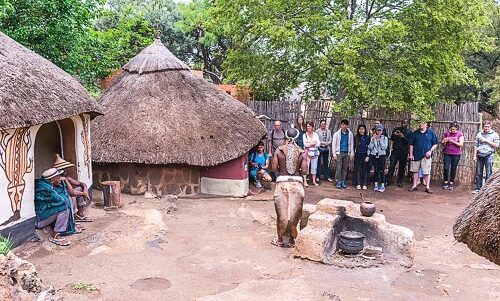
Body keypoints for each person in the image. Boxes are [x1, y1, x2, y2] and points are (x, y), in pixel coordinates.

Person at [270, 128, 308, 248]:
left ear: (286, 138)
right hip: (297, 184)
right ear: (297, 138)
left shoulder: (278, 150)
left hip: (282, 183)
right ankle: (292, 240)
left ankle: (280, 240)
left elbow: (274, 168)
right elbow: (305, 171)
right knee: (295, 213)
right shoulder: (302, 152)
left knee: (281, 213)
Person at [34, 168, 78, 246]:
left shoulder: (47, 184)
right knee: (64, 207)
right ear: (52, 178)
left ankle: (64, 227)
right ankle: (55, 235)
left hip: (43, 215)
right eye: (58, 176)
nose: (60, 178)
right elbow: (61, 200)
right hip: (39, 220)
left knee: (66, 201)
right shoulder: (46, 188)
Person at [53, 155, 92, 222]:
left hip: (68, 194)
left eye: (66, 169)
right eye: (64, 170)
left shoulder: (67, 178)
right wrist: (83, 193)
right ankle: (73, 217)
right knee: (72, 197)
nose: (66, 171)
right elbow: (71, 193)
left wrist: (85, 189)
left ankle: (80, 214)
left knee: (80, 188)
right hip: (61, 197)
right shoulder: (57, 180)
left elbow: (82, 184)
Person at [408, 122, 439, 194]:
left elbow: (435, 144)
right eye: (419, 124)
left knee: (427, 172)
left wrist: (430, 151)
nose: (420, 125)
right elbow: (411, 145)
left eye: (422, 124)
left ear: (426, 125)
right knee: (415, 171)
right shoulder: (414, 133)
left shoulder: (431, 133)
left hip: (426, 156)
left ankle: (427, 187)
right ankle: (414, 185)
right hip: (416, 155)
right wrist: (411, 154)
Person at [473, 120, 499, 193]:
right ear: (483, 126)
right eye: (485, 126)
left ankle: (487, 190)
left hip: (489, 155)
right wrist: (474, 156)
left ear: (490, 127)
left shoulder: (495, 135)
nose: (486, 128)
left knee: (489, 173)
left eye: (488, 126)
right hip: (480, 155)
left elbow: (496, 145)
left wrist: (486, 140)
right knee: (478, 173)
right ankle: (478, 188)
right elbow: (476, 145)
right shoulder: (479, 134)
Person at [385, 119, 412, 187]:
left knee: (402, 167)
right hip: (395, 151)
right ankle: (387, 180)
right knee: (392, 166)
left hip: (404, 152)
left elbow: (409, 142)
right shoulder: (396, 129)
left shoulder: (409, 132)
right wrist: (395, 135)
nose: (403, 125)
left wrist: (402, 136)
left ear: (407, 124)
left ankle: (400, 181)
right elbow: (392, 139)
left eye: (405, 123)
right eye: (402, 123)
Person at [332, 119, 354, 189]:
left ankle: (342, 181)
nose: (344, 126)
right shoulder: (337, 134)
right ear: (340, 125)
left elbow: (351, 144)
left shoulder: (350, 134)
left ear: (347, 126)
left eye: (345, 125)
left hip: (347, 153)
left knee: (345, 168)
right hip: (339, 153)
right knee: (339, 168)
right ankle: (337, 181)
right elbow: (334, 144)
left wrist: (351, 154)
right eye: (342, 125)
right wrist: (334, 154)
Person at [441, 122, 464, 191]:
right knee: (446, 168)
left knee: (453, 168)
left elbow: (461, 144)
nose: (452, 131)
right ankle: (445, 182)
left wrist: (453, 141)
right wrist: (444, 141)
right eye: (451, 129)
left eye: (453, 129)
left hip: (456, 154)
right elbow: (443, 143)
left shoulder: (460, 134)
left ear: (456, 128)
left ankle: (451, 183)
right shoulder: (447, 133)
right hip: (447, 153)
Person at [368, 126, 389, 192]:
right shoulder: (373, 137)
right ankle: (376, 184)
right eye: (378, 130)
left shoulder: (385, 138)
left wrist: (379, 140)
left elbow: (384, 147)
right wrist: (372, 141)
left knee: (382, 170)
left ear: (382, 131)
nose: (379, 132)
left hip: (382, 155)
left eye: (380, 130)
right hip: (375, 155)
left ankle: (382, 185)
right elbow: (370, 147)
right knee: (376, 170)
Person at [303, 121, 321, 186]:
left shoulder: (315, 134)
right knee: (306, 166)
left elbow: (319, 144)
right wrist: (313, 143)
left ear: (312, 127)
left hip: (315, 152)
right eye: (307, 126)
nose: (308, 127)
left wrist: (311, 144)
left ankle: (314, 181)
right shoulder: (304, 135)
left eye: (310, 126)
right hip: (307, 153)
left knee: (314, 167)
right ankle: (305, 181)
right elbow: (305, 144)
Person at [353, 125, 370, 190]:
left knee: (365, 169)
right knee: (358, 169)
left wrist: (368, 156)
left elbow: (369, 147)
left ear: (365, 130)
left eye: (362, 129)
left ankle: (365, 184)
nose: (361, 130)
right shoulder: (356, 137)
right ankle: (358, 183)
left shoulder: (367, 137)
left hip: (365, 155)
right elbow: (354, 146)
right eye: (360, 129)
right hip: (358, 155)